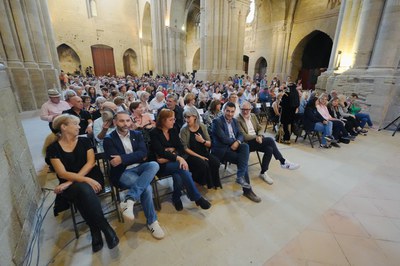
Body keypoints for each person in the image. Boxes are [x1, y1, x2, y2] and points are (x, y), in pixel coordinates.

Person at [45, 114, 119, 252]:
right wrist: (83, 179)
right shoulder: (53, 149)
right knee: (83, 190)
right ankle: (104, 228)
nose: (79, 127)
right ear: (64, 127)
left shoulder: (84, 142)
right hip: (76, 182)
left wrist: (71, 181)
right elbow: (62, 173)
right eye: (76, 124)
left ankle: (95, 230)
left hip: (91, 176)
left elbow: (91, 163)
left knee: (82, 191)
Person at [103, 111, 164, 239]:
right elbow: (115, 163)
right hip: (123, 172)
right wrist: (133, 157)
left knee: (154, 165)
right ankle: (152, 222)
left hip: (140, 167)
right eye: (121, 121)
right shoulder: (109, 139)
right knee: (146, 188)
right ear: (115, 122)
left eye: (127, 120)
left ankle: (129, 200)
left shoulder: (137, 134)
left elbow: (143, 152)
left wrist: (123, 158)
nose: (125, 124)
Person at [149, 109, 211, 211]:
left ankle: (176, 198)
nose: (174, 121)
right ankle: (196, 197)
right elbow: (160, 153)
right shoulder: (154, 133)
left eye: (174, 119)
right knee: (181, 166)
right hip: (160, 166)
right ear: (163, 120)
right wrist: (177, 157)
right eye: (171, 119)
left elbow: (180, 148)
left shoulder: (173, 129)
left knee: (179, 174)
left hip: (172, 162)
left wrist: (172, 152)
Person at [237, 101, 300, 184]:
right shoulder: (238, 119)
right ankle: (283, 161)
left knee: (269, 149)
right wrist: (257, 137)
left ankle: (263, 172)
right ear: (240, 109)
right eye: (243, 109)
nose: (245, 111)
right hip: (246, 143)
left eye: (247, 109)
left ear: (251, 109)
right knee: (270, 140)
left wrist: (259, 135)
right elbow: (244, 135)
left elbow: (260, 128)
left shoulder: (253, 116)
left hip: (256, 140)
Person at [211, 102, 261, 203]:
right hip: (223, 150)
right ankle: (247, 190)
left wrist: (238, 142)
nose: (230, 114)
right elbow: (223, 139)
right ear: (223, 110)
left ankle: (240, 177)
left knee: (245, 146)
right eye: (228, 111)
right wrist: (235, 141)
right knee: (242, 161)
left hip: (234, 146)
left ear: (234, 112)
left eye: (232, 112)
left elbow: (241, 135)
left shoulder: (234, 121)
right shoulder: (217, 121)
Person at [180, 107, 222, 189]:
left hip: (203, 152)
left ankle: (213, 181)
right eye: (185, 117)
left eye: (188, 117)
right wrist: (200, 157)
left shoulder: (202, 126)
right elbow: (185, 149)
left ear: (195, 117)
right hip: (190, 155)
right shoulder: (184, 130)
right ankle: (198, 182)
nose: (186, 120)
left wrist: (202, 141)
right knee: (204, 164)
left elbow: (209, 144)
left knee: (216, 162)